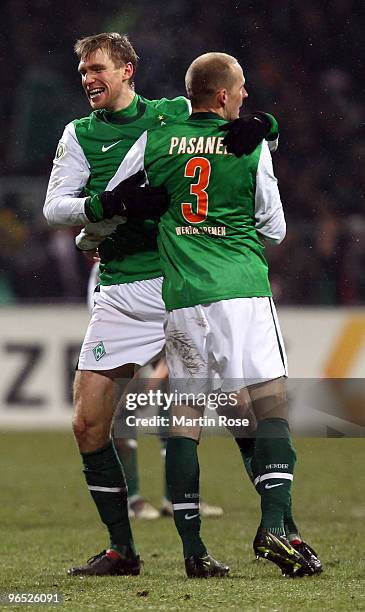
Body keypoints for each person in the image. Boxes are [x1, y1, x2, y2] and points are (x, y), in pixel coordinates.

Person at [95, 51, 322, 578]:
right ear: (223, 95)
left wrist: (97, 234)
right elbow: (275, 228)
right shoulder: (250, 146)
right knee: (270, 408)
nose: (246, 97)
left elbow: (118, 196)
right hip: (241, 291)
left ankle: (194, 552)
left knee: (185, 421)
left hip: (183, 298)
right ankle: (273, 527)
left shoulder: (157, 139)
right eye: (241, 88)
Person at [43, 31, 192, 576]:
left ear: (128, 69)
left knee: (240, 407)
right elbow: (55, 208)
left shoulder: (172, 114)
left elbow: (228, 116)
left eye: (98, 69)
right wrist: (107, 203)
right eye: (83, 72)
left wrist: (263, 127)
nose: (89, 80)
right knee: (89, 423)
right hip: (120, 289)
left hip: (181, 283)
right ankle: (122, 549)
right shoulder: (80, 134)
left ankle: (275, 527)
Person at [86, 259, 224, 519]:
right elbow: (108, 327)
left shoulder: (168, 260)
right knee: (122, 413)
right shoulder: (106, 272)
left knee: (177, 411)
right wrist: (135, 377)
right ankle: (131, 499)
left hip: (167, 343)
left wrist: (156, 379)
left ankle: (176, 498)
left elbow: (182, 331)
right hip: (124, 338)